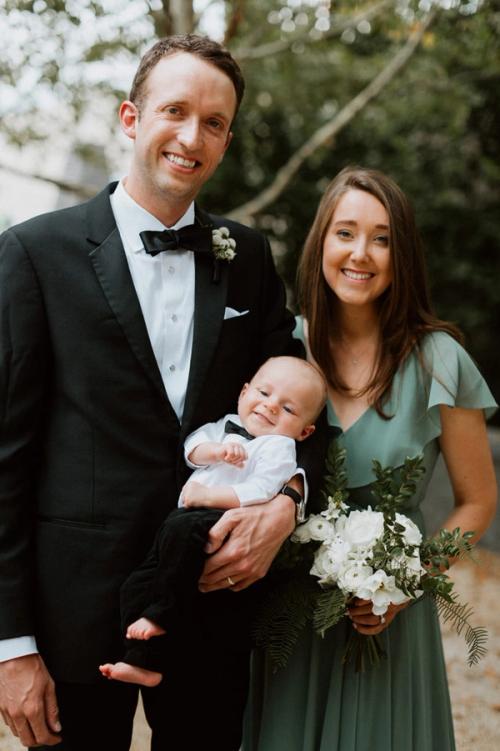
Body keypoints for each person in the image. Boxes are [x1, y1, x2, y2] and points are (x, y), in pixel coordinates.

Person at [0, 35, 324, 751]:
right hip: (72, 618)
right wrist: (10, 644)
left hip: (214, 606)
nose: (191, 136)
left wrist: (288, 498)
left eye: (214, 123)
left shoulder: (249, 258)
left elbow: (308, 411)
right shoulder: (33, 253)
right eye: (175, 110)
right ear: (130, 119)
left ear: (228, 139)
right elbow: (6, 458)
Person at [243, 166, 498, 751]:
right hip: (285, 626)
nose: (362, 254)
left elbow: (479, 499)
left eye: (382, 238)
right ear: (321, 243)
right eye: (345, 233)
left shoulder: (440, 361)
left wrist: (404, 582)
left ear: (402, 253)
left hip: (383, 630)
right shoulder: (285, 349)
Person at [99, 356, 327, 687]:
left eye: (288, 409)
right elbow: (192, 449)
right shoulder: (225, 426)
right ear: (244, 391)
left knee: (177, 573)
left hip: (219, 519)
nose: (270, 407)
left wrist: (209, 497)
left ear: (305, 431)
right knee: (138, 584)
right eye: (263, 393)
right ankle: (142, 661)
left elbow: (260, 490)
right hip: (182, 518)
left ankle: (160, 615)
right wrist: (215, 452)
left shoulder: (279, 448)